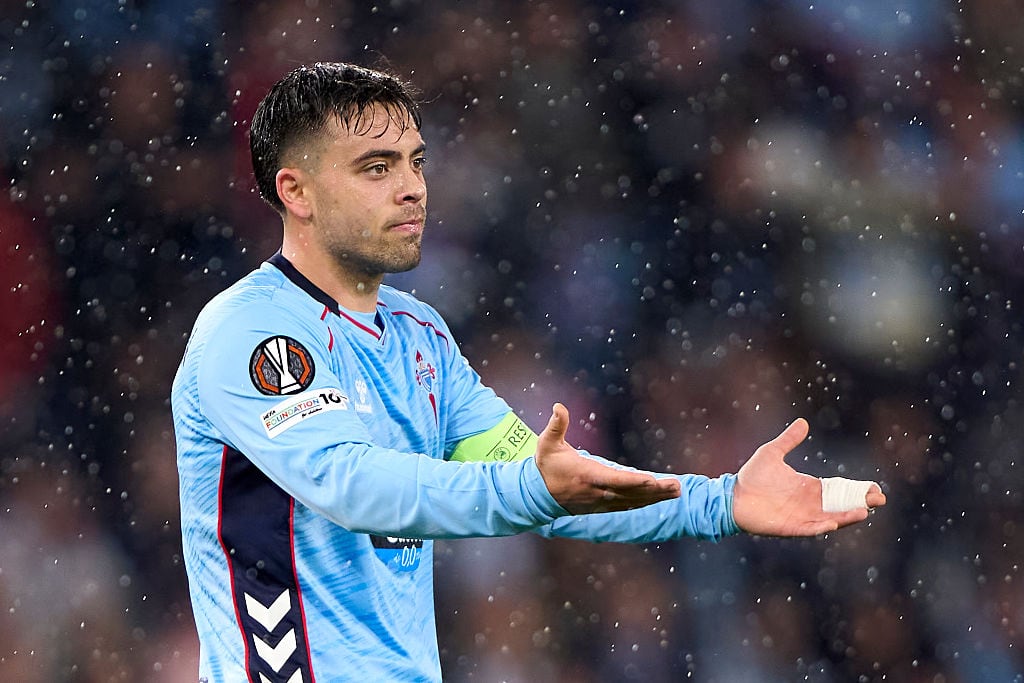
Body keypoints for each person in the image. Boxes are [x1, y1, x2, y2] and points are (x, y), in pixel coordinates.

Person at [171, 61, 886, 683]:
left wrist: (720, 500)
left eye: (417, 162)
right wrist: (529, 485)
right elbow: (353, 485)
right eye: (376, 168)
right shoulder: (253, 331)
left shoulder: (421, 336)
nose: (413, 188)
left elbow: (551, 481)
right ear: (296, 191)